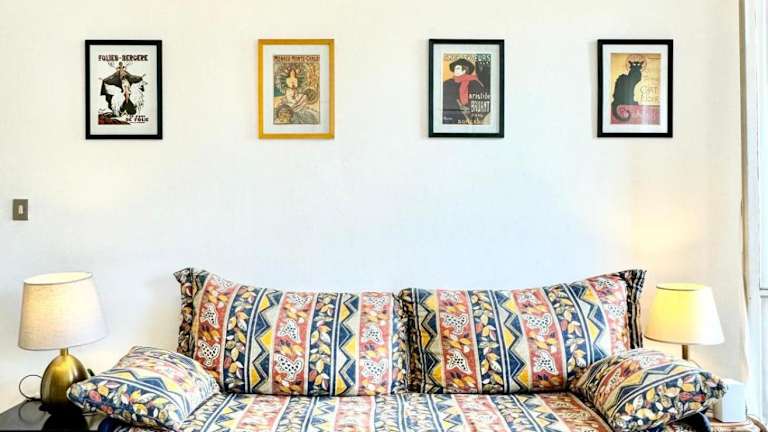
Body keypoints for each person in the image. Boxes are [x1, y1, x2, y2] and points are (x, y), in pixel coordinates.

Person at [442, 58, 485, 124]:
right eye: (454, 68)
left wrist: (468, 108)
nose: (455, 70)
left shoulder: (474, 83)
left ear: (464, 70)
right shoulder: (447, 83)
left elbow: (480, 99)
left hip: (469, 117)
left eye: (457, 68)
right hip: (450, 116)